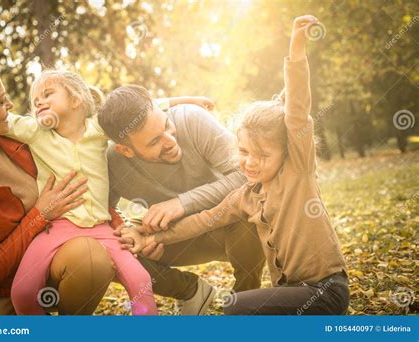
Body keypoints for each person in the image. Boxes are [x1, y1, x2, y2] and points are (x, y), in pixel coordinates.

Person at [120, 15, 350, 315]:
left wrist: (296, 48)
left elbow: (297, 111)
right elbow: (201, 220)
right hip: (291, 294)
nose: (250, 162)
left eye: (263, 155)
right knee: (244, 310)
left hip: (325, 292)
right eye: (243, 151)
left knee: (236, 308)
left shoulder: (298, 172)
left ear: (286, 151)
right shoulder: (246, 196)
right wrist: (149, 236)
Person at [5, 68, 213, 315]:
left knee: (141, 282)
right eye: (36, 100)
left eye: (48, 94)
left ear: (75, 99)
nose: (40, 101)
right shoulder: (35, 133)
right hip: (57, 227)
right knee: (22, 292)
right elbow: (0, 121)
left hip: (101, 228)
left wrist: (189, 101)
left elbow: (143, 111)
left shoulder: (97, 129)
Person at [0, 56, 118, 315]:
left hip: (58, 257)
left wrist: (118, 222)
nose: (11, 105)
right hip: (4, 289)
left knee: (92, 259)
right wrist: (39, 215)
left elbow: (83, 179)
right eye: (1, 102)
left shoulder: (27, 137)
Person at [99, 85, 265, 314]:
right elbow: (100, 213)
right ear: (125, 150)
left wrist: (181, 202)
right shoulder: (112, 163)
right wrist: (130, 229)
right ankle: (190, 291)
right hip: (174, 238)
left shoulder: (193, 119)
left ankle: (246, 300)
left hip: (229, 227)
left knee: (248, 207)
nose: (170, 141)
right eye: (154, 141)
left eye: (166, 124)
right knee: (108, 250)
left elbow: (246, 177)